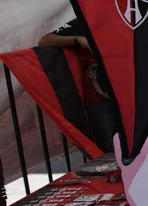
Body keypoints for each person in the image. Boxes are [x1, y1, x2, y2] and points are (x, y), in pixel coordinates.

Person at [38, 19, 117, 153]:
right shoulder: (83, 21)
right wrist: (78, 40)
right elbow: (44, 42)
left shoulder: (127, 16)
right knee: (107, 146)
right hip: (99, 97)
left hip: (131, 93)